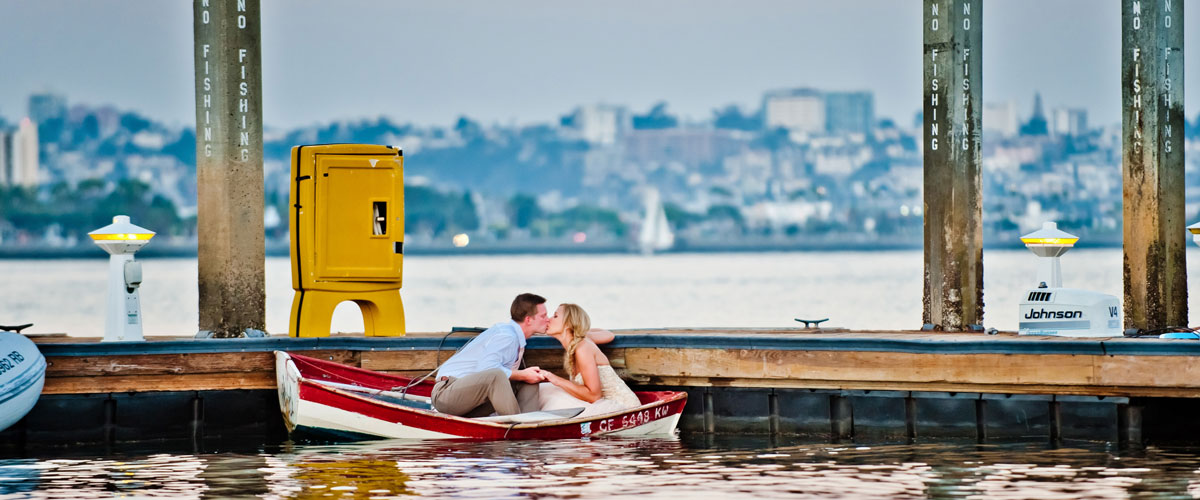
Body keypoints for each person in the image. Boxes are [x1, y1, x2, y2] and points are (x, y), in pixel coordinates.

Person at [431, 293, 549, 417]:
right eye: (543, 316)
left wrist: (526, 376)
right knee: (497, 375)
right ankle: (517, 427)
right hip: (447, 395)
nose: (548, 319)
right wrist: (522, 374)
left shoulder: (515, 337)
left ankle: (530, 424)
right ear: (528, 319)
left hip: (472, 401)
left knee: (530, 380)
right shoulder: (507, 336)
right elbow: (487, 368)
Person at [536, 303, 641, 418]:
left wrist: (556, 380)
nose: (548, 319)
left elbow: (594, 396)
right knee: (545, 389)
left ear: (568, 324)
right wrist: (579, 331)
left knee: (548, 391)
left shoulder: (582, 348)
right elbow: (609, 335)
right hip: (601, 406)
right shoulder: (583, 340)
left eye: (555, 316)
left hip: (623, 410)